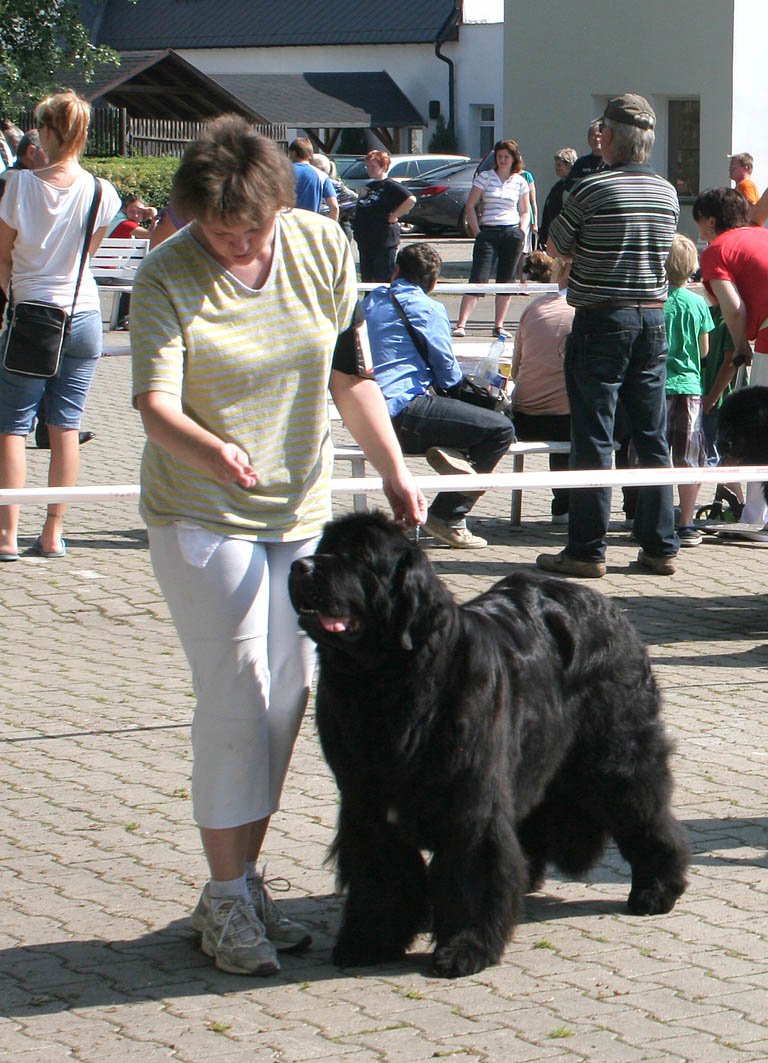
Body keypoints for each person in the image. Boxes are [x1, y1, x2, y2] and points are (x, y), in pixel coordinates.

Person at [130, 115, 425, 976]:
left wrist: (394, 469)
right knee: (237, 695)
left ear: (278, 206)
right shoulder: (166, 273)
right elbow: (154, 407)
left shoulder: (324, 247)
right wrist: (212, 450)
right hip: (200, 510)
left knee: (287, 700)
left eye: (249, 228)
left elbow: (350, 377)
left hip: (297, 509)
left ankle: (240, 882)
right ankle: (227, 896)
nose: (236, 243)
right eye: (218, 230)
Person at [538, 92, 680, 579]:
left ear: (610, 137)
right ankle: (660, 545)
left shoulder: (592, 188)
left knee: (594, 435)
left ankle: (586, 550)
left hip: (602, 319)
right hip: (652, 319)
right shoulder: (667, 192)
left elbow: (556, 244)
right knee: (652, 436)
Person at [0, 91, 120, 562]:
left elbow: (3, 258)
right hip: (84, 313)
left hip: (33, 315)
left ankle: (7, 534)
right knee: (65, 427)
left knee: (12, 426)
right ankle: (53, 533)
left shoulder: (18, 187)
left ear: (47, 133)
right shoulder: (101, 191)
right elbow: (86, 256)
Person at [363, 241, 515, 548]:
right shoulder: (429, 309)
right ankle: (447, 516)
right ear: (433, 283)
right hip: (405, 412)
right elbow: (449, 376)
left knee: (459, 417)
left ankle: (454, 457)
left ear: (395, 271)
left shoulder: (369, 303)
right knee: (500, 429)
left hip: (368, 417)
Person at [694, 185, 768, 537]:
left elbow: (733, 307)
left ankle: (757, 517)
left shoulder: (717, 251)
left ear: (710, 221)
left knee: (761, 426)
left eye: (698, 222)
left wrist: (740, 346)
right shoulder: (761, 234)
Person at [658, 234, 714, 546]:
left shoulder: (656, 301)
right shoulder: (697, 303)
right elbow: (704, 350)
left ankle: (653, 517)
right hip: (690, 386)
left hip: (658, 385)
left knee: (655, 453)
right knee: (689, 456)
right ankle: (686, 521)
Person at [510, 251, 574, 523]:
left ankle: (563, 506)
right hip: (566, 422)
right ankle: (630, 510)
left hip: (525, 418)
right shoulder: (586, 313)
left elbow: (515, 370)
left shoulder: (533, 308)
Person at [452, 139, 530, 337]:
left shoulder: (520, 181)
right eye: (499, 157)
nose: (502, 160)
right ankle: (461, 324)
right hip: (488, 231)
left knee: (506, 279)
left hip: (511, 232)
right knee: (479, 277)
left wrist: (521, 231)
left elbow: (525, 210)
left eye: (506, 157)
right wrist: (477, 231)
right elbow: (470, 205)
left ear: (514, 159)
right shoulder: (485, 177)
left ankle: (499, 325)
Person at [352, 149, 416, 282]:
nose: (370, 169)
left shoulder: (390, 185)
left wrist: (395, 215)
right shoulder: (369, 186)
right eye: (368, 166)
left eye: (373, 166)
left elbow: (411, 199)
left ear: (383, 167)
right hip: (366, 240)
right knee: (367, 278)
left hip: (383, 240)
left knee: (383, 278)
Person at [310, 152, 357, 241]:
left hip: (332, 232)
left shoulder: (334, 185)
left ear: (322, 169)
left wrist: (340, 213)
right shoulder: (312, 184)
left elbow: (355, 200)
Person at [288, 137, 338, 220]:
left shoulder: (282, 172)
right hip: (311, 224)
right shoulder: (321, 176)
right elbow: (334, 208)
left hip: (286, 224)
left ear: (293, 152)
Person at [538, 147, 577, 247]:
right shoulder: (558, 186)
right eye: (556, 164)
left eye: (559, 165)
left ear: (569, 166)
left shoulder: (572, 187)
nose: (556, 168)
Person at [563, 119, 605, 191]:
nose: (597, 139)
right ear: (588, 139)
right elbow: (570, 184)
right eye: (593, 136)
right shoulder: (581, 163)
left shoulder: (611, 163)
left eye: (599, 136)